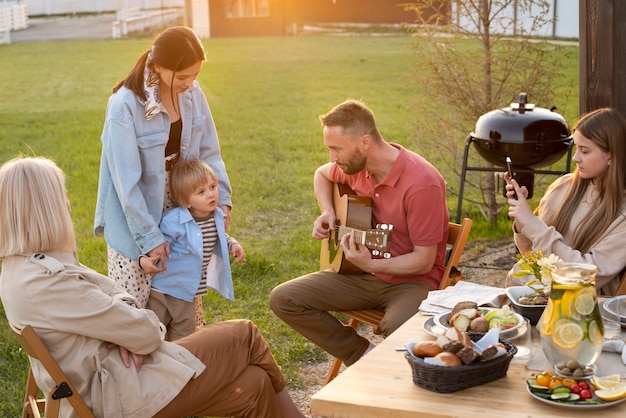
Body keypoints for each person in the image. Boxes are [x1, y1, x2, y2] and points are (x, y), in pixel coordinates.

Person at [0, 156, 305, 418]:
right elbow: (147, 332)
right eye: (61, 196)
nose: (67, 203)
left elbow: (115, 298)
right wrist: (130, 331)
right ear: (45, 209)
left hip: (113, 381)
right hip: (120, 394)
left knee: (254, 385)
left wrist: (121, 330)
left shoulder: (22, 269)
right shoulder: (50, 280)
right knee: (245, 334)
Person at [269, 99, 449, 367]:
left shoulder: (422, 184)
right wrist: (327, 211)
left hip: (413, 281)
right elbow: (321, 174)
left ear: (365, 142)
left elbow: (423, 260)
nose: (332, 158)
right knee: (283, 299)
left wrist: (372, 263)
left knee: (398, 329)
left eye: (336, 149)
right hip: (361, 275)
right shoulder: (355, 169)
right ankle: (362, 356)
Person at [94, 26, 232, 312]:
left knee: (182, 295)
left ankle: (183, 355)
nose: (191, 83)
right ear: (158, 67)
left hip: (182, 204)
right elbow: (126, 183)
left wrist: (224, 201)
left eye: (195, 75)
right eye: (183, 77)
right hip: (135, 213)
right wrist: (149, 237)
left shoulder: (193, 94)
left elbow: (209, 151)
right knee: (134, 310)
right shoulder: (124, 105)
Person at [505, 107, 626, 295]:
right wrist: (522, 222)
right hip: (525, 296)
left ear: (611, 155)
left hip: (577, 311)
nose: (576, 158)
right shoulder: (563, 186)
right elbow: (531, 256)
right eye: (576, 148)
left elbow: (587, 275)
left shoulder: (622, 216)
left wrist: (533, 223)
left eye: (585, 151)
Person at [141, 159, 245, 340]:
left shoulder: (217, 217)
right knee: (152, 333)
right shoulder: (173, 221)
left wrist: (232, 244)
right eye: (201, 192)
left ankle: (181, 365)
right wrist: (144, 259)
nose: (211, 194)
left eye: (213, 187)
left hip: (187, 292)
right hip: (163, 289)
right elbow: (157, 246)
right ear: (186, 201)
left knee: (185, 336)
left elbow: (220, 237)